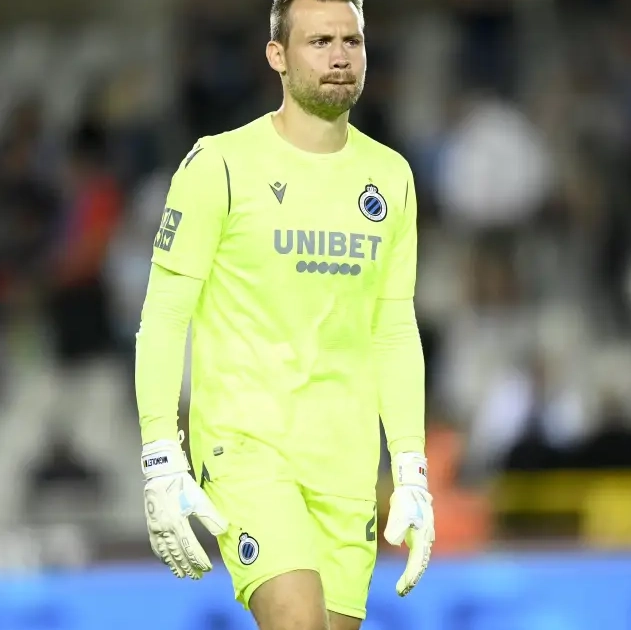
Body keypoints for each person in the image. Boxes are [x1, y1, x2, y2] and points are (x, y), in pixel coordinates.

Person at [134, 1, 433, 629]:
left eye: (351, 41)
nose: (339, 56)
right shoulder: (218, 165)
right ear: (277, 55)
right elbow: (163, 315)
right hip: (248, 448)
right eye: (319, 41)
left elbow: (393, 329)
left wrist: (411, 465)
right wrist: (161, 455)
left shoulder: (391, 177)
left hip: (347, 462)